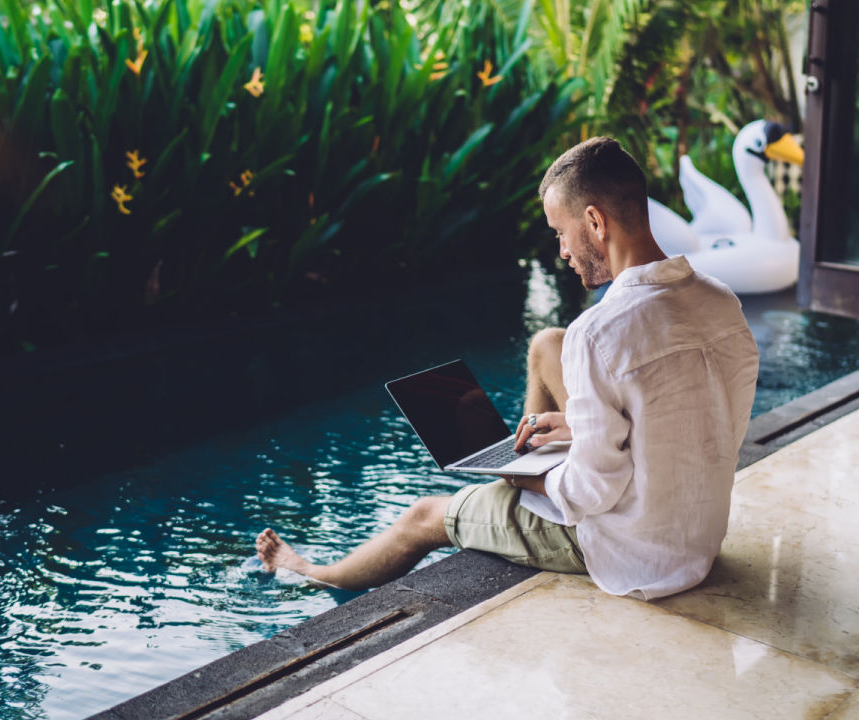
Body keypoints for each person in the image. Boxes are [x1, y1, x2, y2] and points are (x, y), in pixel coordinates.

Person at [256, 137, 759, 600]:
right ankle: (508, 473)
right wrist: (580, 429)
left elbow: (589, 493)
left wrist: (527, 480)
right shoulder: (719, 301)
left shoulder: (601, 331)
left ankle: (310, 570)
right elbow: (703, 420)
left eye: (561, 232)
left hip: (633, 550)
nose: (561, 251)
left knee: (422, 515)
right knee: (546, 343)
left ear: (595, 222)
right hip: (697, 537)